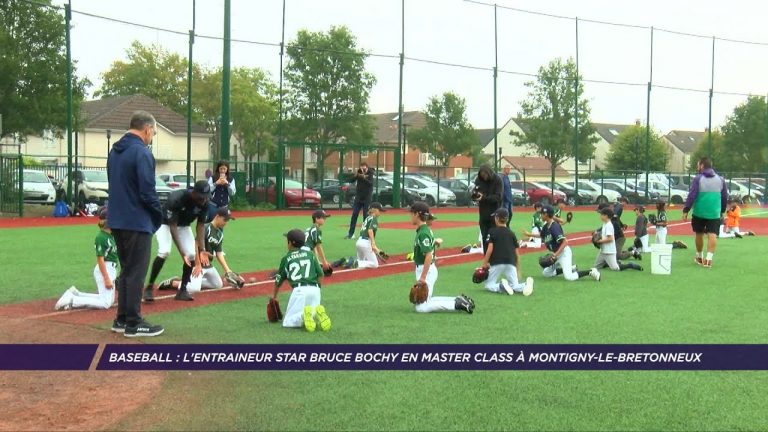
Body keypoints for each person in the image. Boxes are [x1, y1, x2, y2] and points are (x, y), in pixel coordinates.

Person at [106, 110, 164, 337]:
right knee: (136, 271)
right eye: (153, 133)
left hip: (118, 218)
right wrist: (157, 215)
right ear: (147, 129)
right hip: (137, 220)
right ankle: (134, 322)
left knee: (128, 270)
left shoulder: (115, 151)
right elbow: (147, 191)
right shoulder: (142, 152)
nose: (152, 137)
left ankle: (122, 319)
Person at [144, 180, 211, 302]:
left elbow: (200, 226)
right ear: (194, 193)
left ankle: (182, 290)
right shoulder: (177, 198)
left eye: (206, 198)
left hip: (184, 225)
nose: (204, 201)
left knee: (191, 254)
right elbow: (173, 226)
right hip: (165, 223)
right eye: (201, 198)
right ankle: (149, 287)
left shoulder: (205, 203)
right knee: (164, 251)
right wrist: (182, 253)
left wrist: (202, 250)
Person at [409, 202, 475, 314]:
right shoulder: (424, 230)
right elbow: (428, 246)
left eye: (411, 214)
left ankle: (457, 304)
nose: (410, 216)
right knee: (426, 300)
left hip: (426, 270)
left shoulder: (423, 233)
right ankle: (456, 300)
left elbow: (428, 255)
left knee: (421, 308)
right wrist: (434, 242)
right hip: (427, 269)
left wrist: (423, 277)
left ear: (417, 214)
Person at [157, 207, 237, 293]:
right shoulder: (206, 228)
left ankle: (191, 281)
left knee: (218, 285)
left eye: (228, 220)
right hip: (197, 265)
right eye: (225, 219)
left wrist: (227, 270)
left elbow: (219, 253)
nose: (226, 222)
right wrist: (198, 263)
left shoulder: (219, 234)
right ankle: (174, 283)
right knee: (194, 289)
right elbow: (195, 244)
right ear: (217, 216)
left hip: (208, 265)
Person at [55, 209, 119, 310]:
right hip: (105, 269)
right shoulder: (101, 237)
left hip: (110, 268)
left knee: (109, 300)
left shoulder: (111, 235)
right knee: (105, 303)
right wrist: (106, 278)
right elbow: (100, 259)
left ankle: (76, 294)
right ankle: (72, 300)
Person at [272, 229, 331, 332]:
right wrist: (317, 289)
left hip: (299, 291)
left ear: (290, 243)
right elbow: (321, 274)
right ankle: (316, 313)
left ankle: (303, 316)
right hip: (315, 289)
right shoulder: (310, 254)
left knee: (288, 322)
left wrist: (275, 297)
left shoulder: (287, 258)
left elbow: (278, 281)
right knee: (311, 312)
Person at [533, 206, 601, 282]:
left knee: (569, 277)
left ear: (546, 214)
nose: (540, 215)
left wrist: (555, 255)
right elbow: (541, 235)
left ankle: (591, 272)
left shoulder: (554, 227)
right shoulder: (546, 227)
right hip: (556, 254)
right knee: (546, 273)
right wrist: (529, 234)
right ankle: (571, 268)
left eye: (542, 213)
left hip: (564, 253)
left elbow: (565, 242)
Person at [682, 157, 728, 268]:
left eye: (698, 165)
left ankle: (699, 256)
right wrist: (722, 210)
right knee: (712, 234)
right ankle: (708, 260)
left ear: (702, 166)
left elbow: (692, 194)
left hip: (699, 212)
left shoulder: (698, 179)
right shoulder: (721, 180)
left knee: (699, 233)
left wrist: (686, 209)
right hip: (714, 212)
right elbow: (724, 197)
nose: (697, 167)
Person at [480, 208, 534, 296]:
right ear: (507, 219)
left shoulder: (492, 231)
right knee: (515, 285)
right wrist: (518, 269)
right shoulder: (511, 233)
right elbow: (516, 253)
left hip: (497, 263)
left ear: (496, 218)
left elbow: (490, 249)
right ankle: (525, 285)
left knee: (489, 285)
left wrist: (484, 263)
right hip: (510, 263)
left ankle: (500, 286)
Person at [593, 206, 642, 272]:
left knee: (615, 268)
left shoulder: (609, 225)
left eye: (602, 214)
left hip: (609, 251)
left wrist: (599, 241)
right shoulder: (605, 224)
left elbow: (610, 239)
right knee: (596, 267)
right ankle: (609, 263)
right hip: (603, 250)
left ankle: (630, 265)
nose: (600, 216)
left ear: (606, 216)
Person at [473, 164, 503, 253]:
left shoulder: (497, 180)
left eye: (485, 174)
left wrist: (484, 198)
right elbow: (476, 192)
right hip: (483, 214)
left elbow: (498, 197)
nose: (484, 177)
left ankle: (496, 259)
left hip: (495, 214)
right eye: (482, 175)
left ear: (489, 173)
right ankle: (487, 261)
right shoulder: (478, 180)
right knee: (484, 237)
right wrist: (474, 195)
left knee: (494, 238)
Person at [345, 162, 373, 239]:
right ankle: (351, 234)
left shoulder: (370, 173)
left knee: (365, 216)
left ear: (367, 167)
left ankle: (365, 234)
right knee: (354, 214)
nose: (363, 170)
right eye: (361, 168)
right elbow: (351, 180)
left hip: (367, 198)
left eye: (364, 168)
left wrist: (364, 177)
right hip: (358, 198)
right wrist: (356, 175)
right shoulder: (359, 172)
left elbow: (370, 183)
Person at [354, 202, 386, 269]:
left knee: (361, 263)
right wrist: (373, 244)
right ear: (375, 210)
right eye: (380, 210)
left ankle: (351, 262)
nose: (380, 212)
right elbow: (370, 230)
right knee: (375, 265)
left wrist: (376, 249)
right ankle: (357, 262)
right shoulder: (374, 218)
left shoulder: (367, 218)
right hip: (365, 243)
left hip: (359, 242)